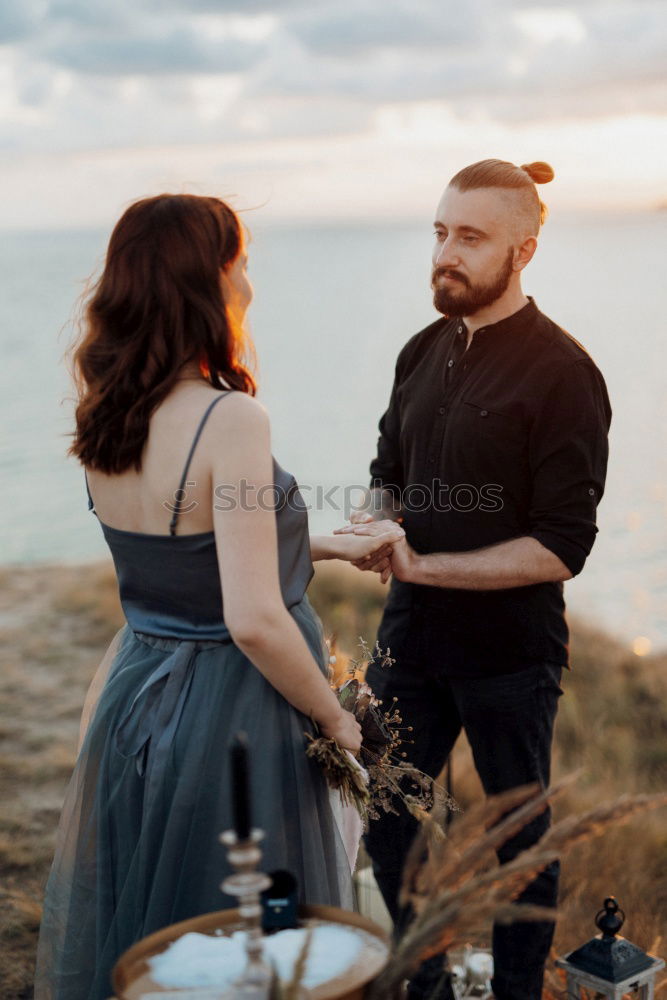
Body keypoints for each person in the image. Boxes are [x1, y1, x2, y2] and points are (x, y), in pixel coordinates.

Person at [34, 194, 404, 1000]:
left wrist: (323, 544)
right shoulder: (229, 417)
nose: (248, 278)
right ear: (209, 280)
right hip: (235, 712)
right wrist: (337, 718)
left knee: (167, 935)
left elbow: (183, 549)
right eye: (240, 260)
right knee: (256, 930)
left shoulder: (107, 413)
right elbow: (253, 618)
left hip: (138, 699)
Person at [336, 160, 612, 1000]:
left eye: (470, 237)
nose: (445, 253)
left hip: (508, 661)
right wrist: (378, 521)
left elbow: (561, 546)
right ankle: (426, 980)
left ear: (522, 250)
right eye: (440, 231)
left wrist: (426, 563)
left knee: (517, 843)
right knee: (388, 820)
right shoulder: (420, 350)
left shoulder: (566, 375)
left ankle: (517, 994)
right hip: (408, 643)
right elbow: (387, 468)